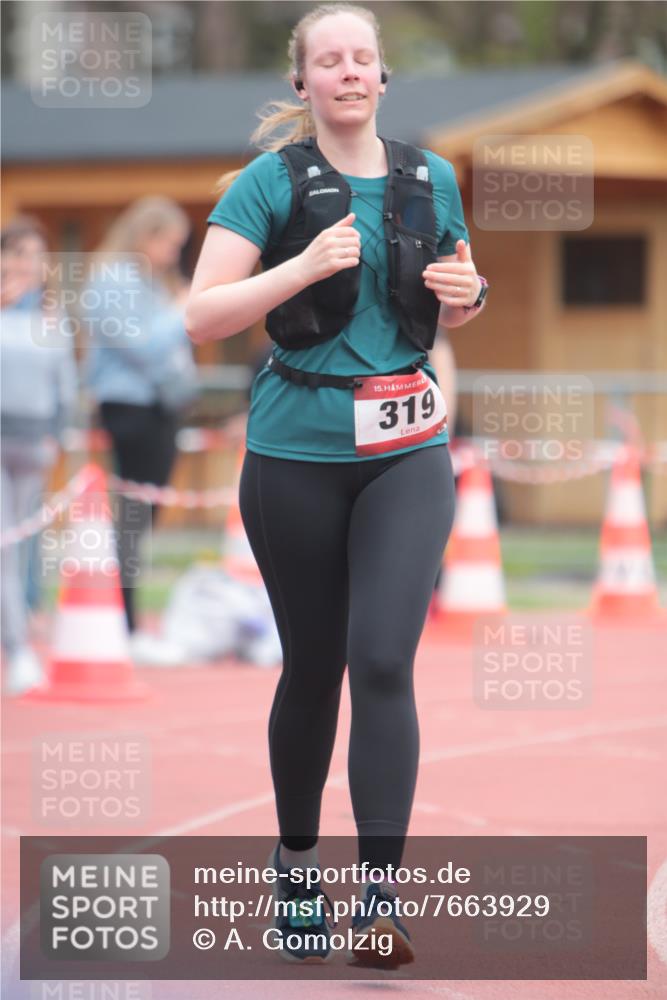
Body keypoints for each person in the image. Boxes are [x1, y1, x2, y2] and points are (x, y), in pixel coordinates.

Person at [186, 2, 487, 968]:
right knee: (314, 670)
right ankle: (296, 864)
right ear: (302, 82)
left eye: (363, 57)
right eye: (329, 59)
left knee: (385, 661)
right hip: (295, 457)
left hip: (406, 446)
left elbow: (459, 291)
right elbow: (203, 316)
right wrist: (302, 266)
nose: (349, 71)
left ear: (382, 76)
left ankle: (382, 901)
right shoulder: (265, 186)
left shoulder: (428, 176)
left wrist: (469, 295)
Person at [83, 197, 199, 636]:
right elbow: (144, 347)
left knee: (142, 516)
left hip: (157, 407)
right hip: (130, 407)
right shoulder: (112, 281)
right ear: (146, 237)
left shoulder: (149, 283)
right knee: (132, 518)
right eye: (170, 244)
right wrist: (182, 309)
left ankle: (125, 618)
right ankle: (122, 620)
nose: (173, 254)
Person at [1, 215, 78, 695]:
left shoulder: (52, 316)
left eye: (35, 255)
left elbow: (65, 383)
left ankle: (25, 624)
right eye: (17, 253)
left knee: (26, 547)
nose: (28, 264)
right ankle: (18, 651)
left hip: (35, 443)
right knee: (6, 546)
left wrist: (60, 434)